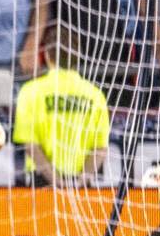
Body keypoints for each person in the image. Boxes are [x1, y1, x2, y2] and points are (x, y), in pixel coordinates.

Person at [12, 27, 110, 187]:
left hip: (41, 180)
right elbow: (99, 148)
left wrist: (54, 180)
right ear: (78, 55)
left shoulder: (31, 91)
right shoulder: (95, 94)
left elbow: (30, 145)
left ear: (46, 54)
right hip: (80, 183)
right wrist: (81, 180)